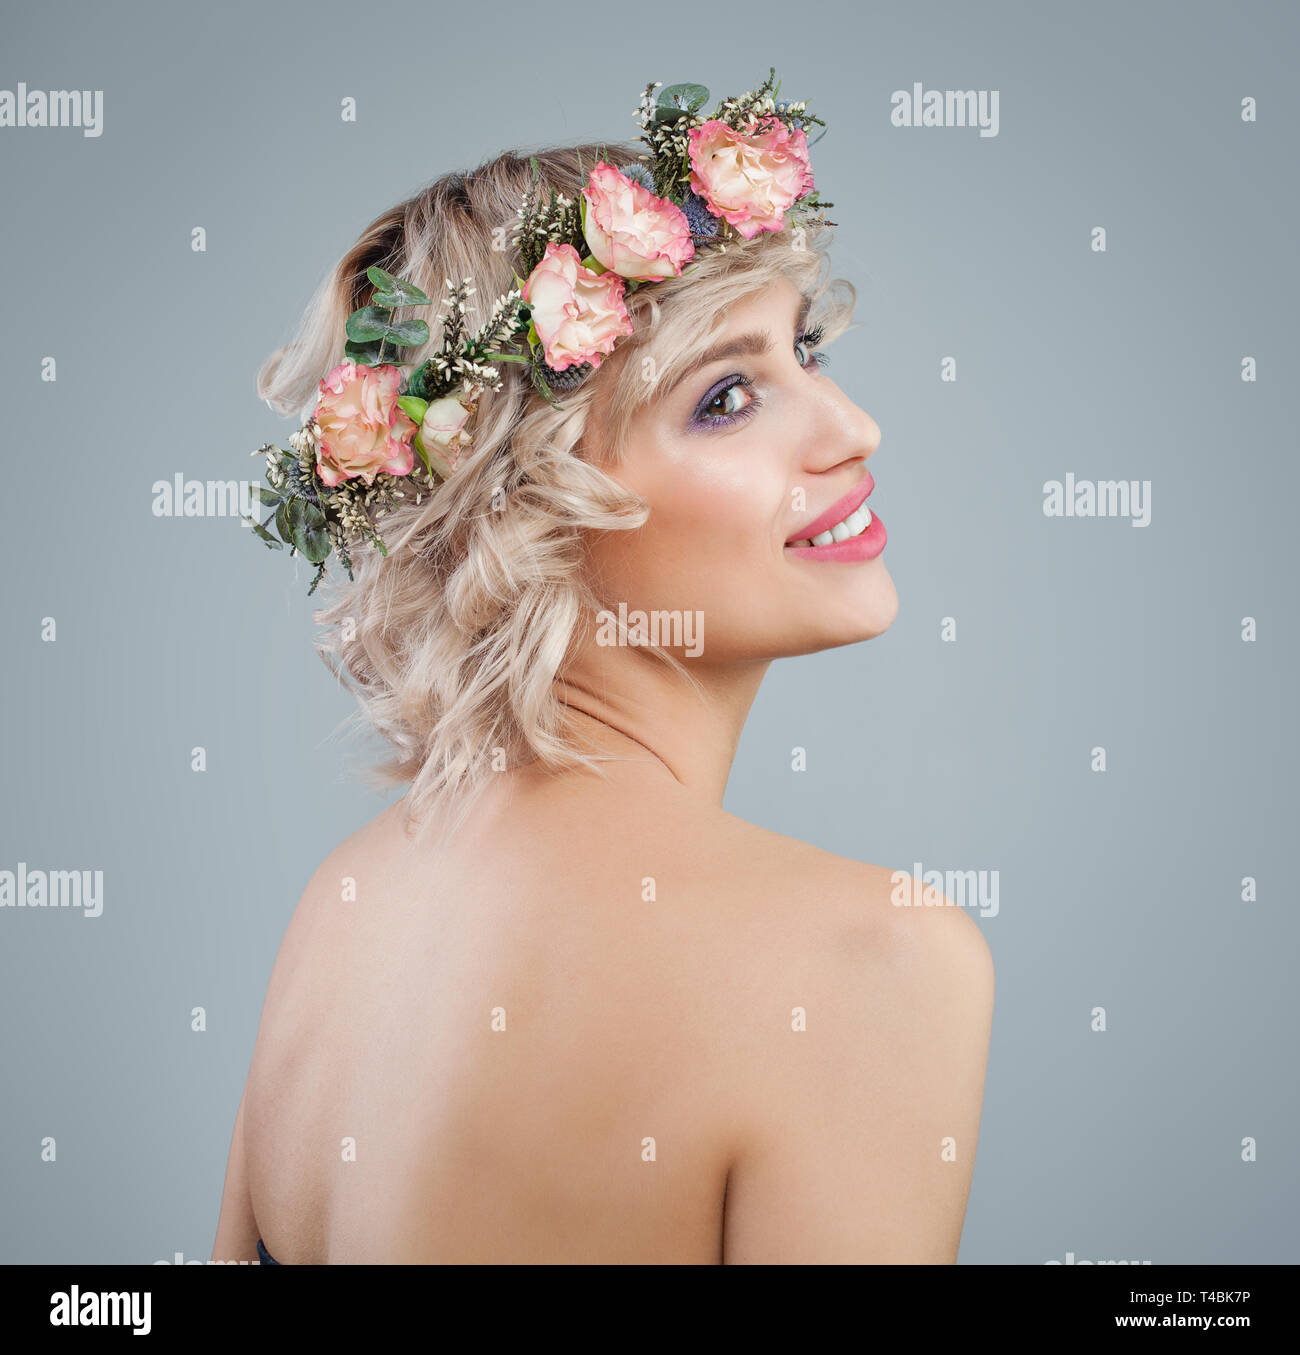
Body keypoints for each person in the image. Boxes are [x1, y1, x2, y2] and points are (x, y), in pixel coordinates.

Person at [213, 89, 993, 1264]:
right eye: (724, 398)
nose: (850, 426)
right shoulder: (866, 958)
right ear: (523, 502)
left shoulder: (345, 906)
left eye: (808, 349)